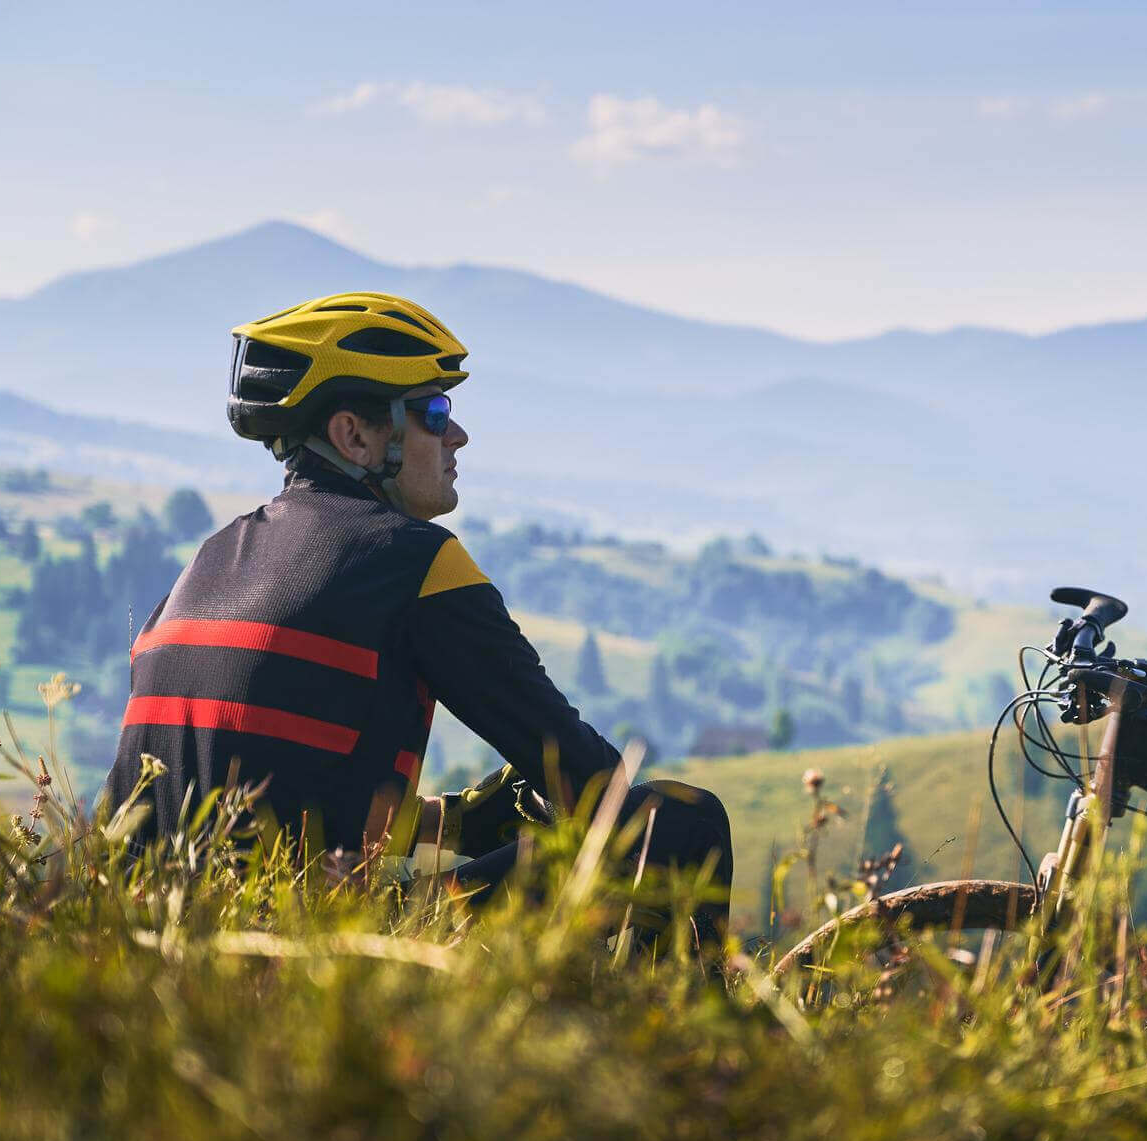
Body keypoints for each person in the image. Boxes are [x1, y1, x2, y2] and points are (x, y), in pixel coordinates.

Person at [102, 291, 731, 946]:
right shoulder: (410, 560)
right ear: (356, 434)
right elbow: (589, 783)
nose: (457, 435)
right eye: (434, 412)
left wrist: (454, 823)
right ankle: (685, 1046)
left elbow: (268, 794)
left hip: (154, 945)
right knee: (681, 825)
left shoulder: (208, 562)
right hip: (317, 948)